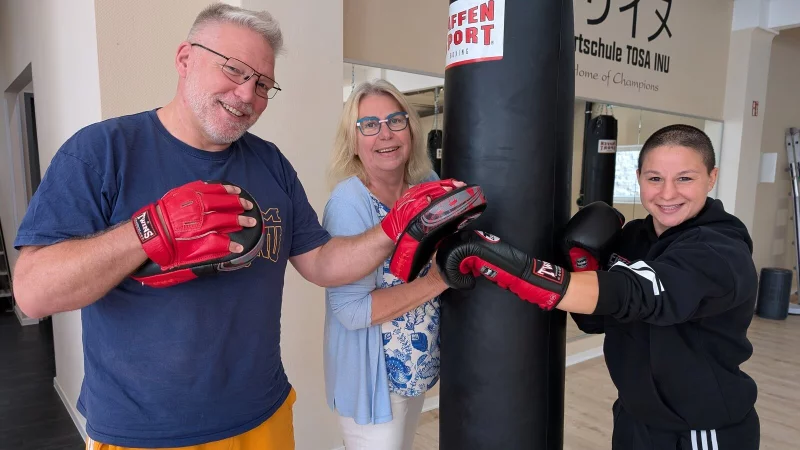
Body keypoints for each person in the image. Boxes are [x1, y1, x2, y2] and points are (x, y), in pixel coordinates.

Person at [11, 4, 460, 449]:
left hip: (262, 415)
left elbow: (321, 262)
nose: (247, 95)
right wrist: (148, 230)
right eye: (234, 70)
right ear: (185, 58)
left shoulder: (270, 163)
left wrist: (395, 227)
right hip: (146, 432)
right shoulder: (102, 151)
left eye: (263, 83)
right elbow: (33, 293)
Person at [436, 124, 760, 450]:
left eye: (685, 178)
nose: (667, 193)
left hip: (699, 429)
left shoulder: (719, 249)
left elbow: (637, 293)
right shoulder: (633, 238)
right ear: (638, 178)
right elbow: (596, 319)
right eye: (654, 178)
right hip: (634, 418)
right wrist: (582, 263)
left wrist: (506, 267)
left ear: (712, 177)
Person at [321, 79, 448, 450]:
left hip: (416, 369)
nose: (385, 134)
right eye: (369, 125)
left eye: (396, 120)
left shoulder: (426, 182)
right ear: (353, 141)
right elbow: (350, 310)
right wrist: (437, 282)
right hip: (373, 381)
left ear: (411, 127)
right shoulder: (349, 204)